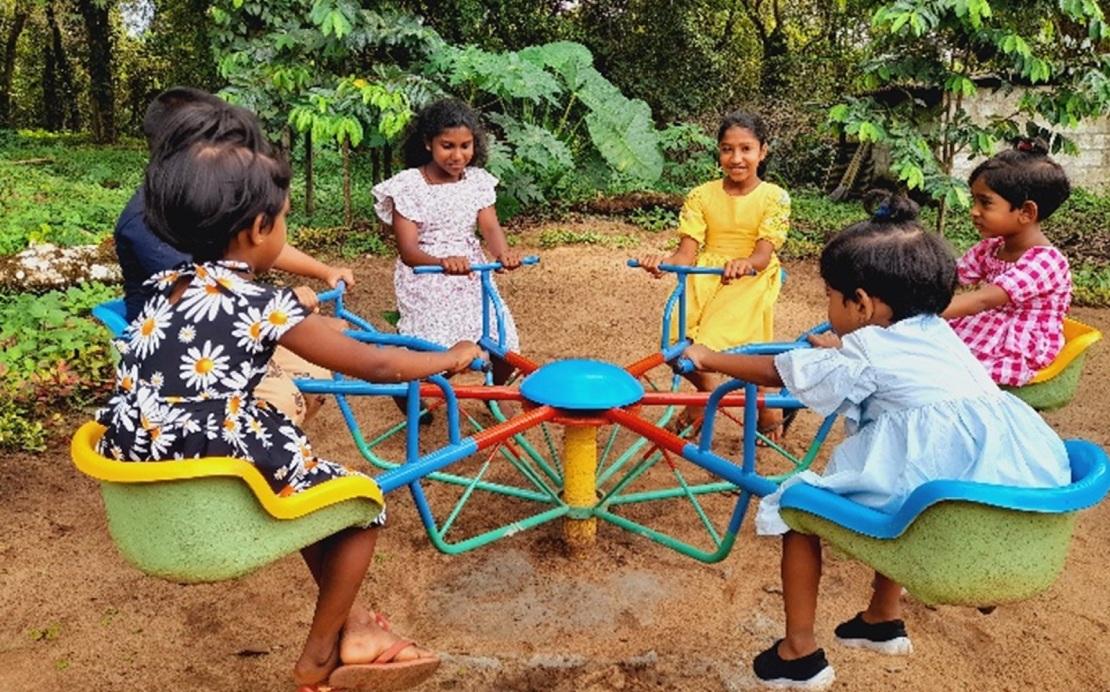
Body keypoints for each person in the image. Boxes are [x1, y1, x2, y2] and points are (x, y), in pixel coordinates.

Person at [97, 138, 480, 691]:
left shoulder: (163, 289)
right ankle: (321, 653)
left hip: (142, 450)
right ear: (257, 230)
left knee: (299, 475)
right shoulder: (256, 304)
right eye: (283, 222)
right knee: (360, 507)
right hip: (211, 462)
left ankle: (355, 629)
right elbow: (374, 364)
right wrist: (453, 355)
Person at [681, 193, 1071, 689]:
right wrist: (843, 348)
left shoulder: (864, 352)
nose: (829, 304)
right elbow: (888, 360)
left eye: (830, 295)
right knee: (906, 487)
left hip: (938, 505)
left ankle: (798, 655)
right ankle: (881, 620)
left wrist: (710, 357)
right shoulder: (941, 333)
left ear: (861, 303)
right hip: (995, 483)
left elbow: (778, 370)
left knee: (797, 507)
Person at [114, 87, 354, 425]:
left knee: (314, 376)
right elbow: (204, 304)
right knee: (287, 396)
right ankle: (244, 462)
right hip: (189, 353)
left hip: (223, 333)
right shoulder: (149, 220)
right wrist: (288, 309)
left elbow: (254, 241)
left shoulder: (208, 194)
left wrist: (323, 271)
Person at [635, 110, 791, 442]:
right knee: (676, 342)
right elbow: (685, 255)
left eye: (746, 149)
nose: (736, 158)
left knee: (738, 345)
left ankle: (769, 408)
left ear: (762, 151)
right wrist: (661, 262)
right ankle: (703, 399)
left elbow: (763, 255)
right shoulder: (702, 195)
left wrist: (746, 263)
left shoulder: (774, 197)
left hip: (750, 276)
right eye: (727, 149)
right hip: (707, 272)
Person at [372, 98, 522, 387]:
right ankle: (408, 392)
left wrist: (503, 254)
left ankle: (495, 394)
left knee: (503, 344)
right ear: (428, 143)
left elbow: (489, 227)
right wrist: (442, 262)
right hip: (427, 277)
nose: (457, 155)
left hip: (472, 275)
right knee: (437, 353)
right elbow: (408, 252)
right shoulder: (408, 186)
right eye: (447, 146)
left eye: (465, 146)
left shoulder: (477, 182)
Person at [943, 138, 1073, 386]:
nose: (974, 210)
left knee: (951, 367)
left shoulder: (1045, 262)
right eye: (974, 201)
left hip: (1014, 344)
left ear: (1026, 212)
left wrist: (918, 311)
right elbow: (949, 274)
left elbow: (982, 300)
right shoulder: (992, 247)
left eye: (985, 202)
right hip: (986, 328)